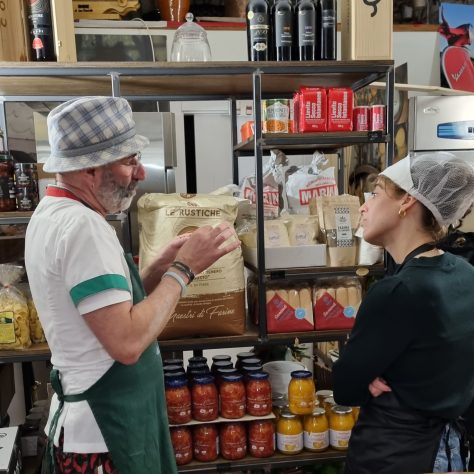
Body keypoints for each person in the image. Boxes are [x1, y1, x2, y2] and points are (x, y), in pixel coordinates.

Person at [24, 96, 240, 474]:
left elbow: (100, 312)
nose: (140, 174)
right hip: (105, 435)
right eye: (128, 162)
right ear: (89, 169)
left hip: (96, 426)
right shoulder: (83, 228)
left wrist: (158, 269)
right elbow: (124, 343)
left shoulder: (52, 213)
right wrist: (184, 270)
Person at [333, 152, 474, 474]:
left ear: (406, 201)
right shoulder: (466, 274)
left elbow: (345, 387)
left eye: (376, 193)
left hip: (394, 455)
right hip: (451, 452)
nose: (364, 206)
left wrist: (365, 377)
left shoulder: (398, 291)